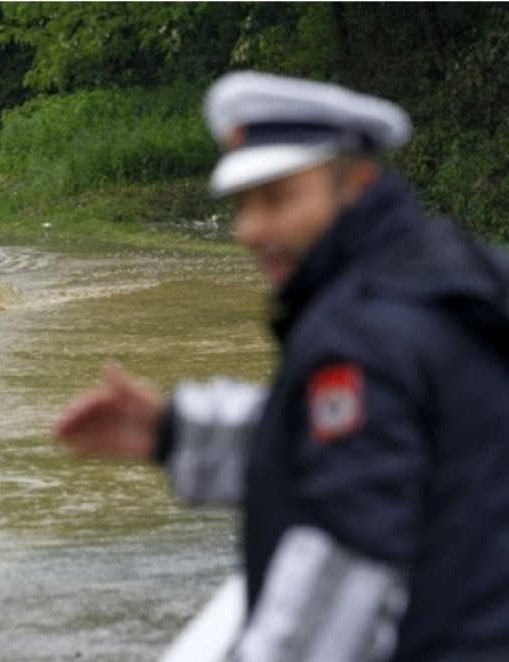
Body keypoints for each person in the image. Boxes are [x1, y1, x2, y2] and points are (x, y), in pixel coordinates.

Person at [55, 71, 509, 661]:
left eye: (278, 199)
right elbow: (406, 438)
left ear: (357, 183)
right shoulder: (450, 271)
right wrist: (175, 430)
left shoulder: (361, 334)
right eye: (244, 204)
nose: (249, 231)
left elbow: (340, 570)